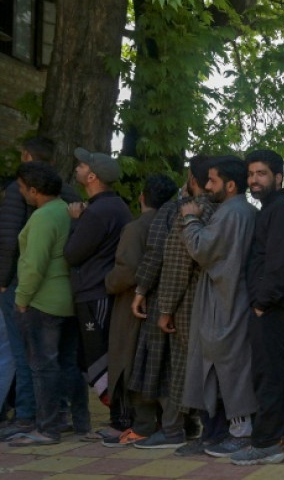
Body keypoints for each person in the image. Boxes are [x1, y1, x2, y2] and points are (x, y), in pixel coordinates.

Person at [230, 150, 284, 465]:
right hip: (275, 306)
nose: (253, 180)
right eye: (251, 174)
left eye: (261, 173)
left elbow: (278, 264)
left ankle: (267, 443)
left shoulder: (282, 211)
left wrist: (263, 303)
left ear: (278, 177)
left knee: (268, 375)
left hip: (273, 307)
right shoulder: (273, 209)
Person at [0, 137, 83, 440]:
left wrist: (16, 294)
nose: (20, 191)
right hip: (67, 296)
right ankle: (67, 417)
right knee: (61, 361)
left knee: (33, 361)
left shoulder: (42, 213)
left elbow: (28, 258)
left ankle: (33, 420)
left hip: (39, 296)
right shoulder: (68, 202)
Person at [129, 156, 214, 452]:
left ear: (192, 179)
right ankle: (195, 425)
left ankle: (173, 429)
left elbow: (170, 261)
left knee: (178, 367)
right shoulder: (226, 210)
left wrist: (156, 301)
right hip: (215, 302)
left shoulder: (184, 211)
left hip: (185, 301)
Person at [179, 156, 258, 458]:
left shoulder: (233, 213)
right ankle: (217, 432)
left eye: (212, 180)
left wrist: (189, 218)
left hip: (227, 301)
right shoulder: (239, 211)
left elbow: (202, 248)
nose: (207, 186)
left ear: (230, 184)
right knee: (220, 367)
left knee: (231, 367)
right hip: (225, 298)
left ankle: (241, 433)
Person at [101, 175, 178, 447]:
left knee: (133, 365)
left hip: (135, 306)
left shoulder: (136, 228)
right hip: (164, 306)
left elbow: (128, 271)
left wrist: (107, 282)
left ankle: (143, 426)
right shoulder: (172, 222)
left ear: (142, 197)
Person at [64, 148, 132, 438]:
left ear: (92, 176)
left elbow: (72, 254)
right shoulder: (117, 206)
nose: (77, 168)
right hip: (101, 291)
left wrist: (76, 221)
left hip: (94, 293)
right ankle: (121, 417)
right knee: (103, 355)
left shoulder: (96, 212)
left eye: (81, 165)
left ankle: (121, 421)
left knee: (101, 358)